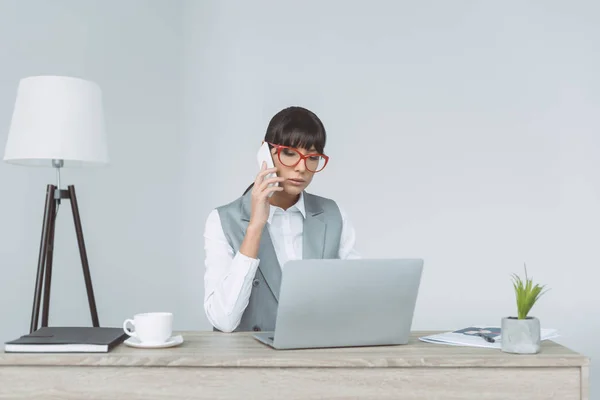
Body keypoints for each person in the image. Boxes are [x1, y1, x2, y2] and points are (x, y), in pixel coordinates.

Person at [203, 106, 360, 333]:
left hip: (317, 354)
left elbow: (357, 295)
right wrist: (255, 226)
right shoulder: (222, 220)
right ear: (265, 153)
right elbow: (223, 320)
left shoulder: (334, 215)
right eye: (289, 153)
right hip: (248, 362)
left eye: (313, 157)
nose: (301, 167)